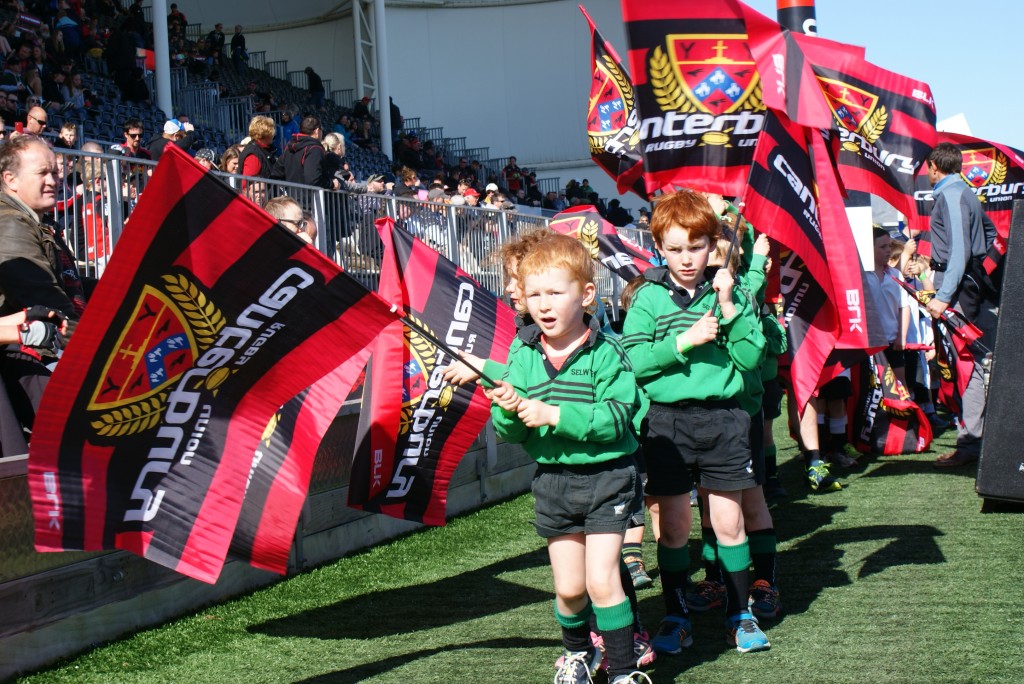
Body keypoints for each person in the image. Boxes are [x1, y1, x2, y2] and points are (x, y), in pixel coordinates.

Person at [484, 234, 647, 684]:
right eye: (534, 294)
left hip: (608, 478)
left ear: (587, 295)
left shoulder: (606, 352)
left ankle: (623, 671)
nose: (544, 304)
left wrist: (553, 414)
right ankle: (577, 655)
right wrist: (508, 406)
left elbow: (619, 418)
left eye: (556, 292)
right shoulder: (523, 352)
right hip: (553, 483)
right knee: (569, 588)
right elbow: (511, 432)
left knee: (601, 581)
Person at [620, 190, 770, 656]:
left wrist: (728, 305)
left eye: (697, 246)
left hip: (724, 421)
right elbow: (633, 361)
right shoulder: (647, 298)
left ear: (713, 244)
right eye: (676, 248)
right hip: (666, 425)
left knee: (728, 524)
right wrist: (683, 341)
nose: (687, 258)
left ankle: (740, 615)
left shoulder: (734, 290)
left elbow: (751, 357)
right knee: (675, 529)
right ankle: (676, 614)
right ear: (659, 247)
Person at [924, 142, 999, 468]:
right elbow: (990, 234)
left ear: (932, 165)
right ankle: (976, 441)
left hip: (957, 294)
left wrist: (943, 296)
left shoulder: (951, 196)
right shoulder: (966, 192)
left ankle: (970, 445)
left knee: (968, 367)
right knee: (973, 365)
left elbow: (959, 251)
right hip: (968, 287)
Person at [281, 115, 338, 190]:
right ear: (317, 131)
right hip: (308, 198)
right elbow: (313, 180)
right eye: (321, 130)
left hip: (290, 197)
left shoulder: (289, 147)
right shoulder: (315, 149)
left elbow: (277, 171)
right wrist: (332, 184)